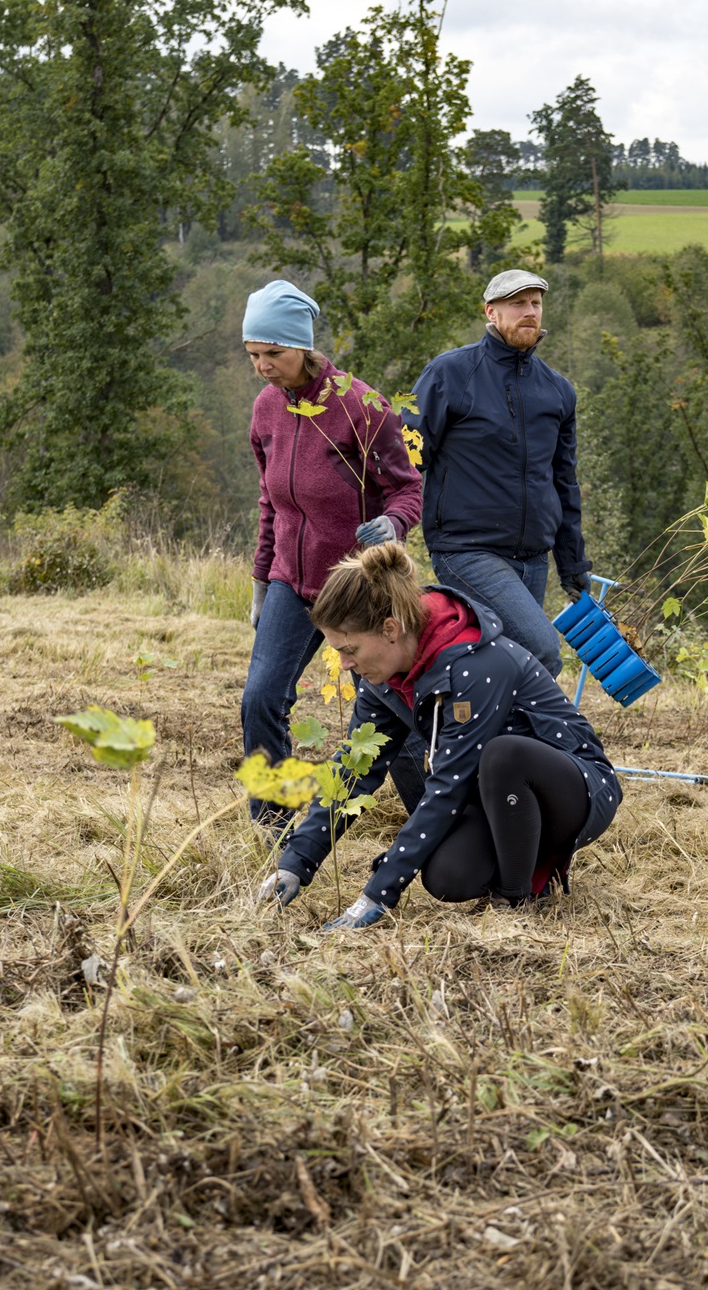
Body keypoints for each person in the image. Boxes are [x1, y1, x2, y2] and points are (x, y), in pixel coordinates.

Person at [256, 543, 620, 931]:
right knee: (447, 877)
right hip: (500, 802)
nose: (345, 664)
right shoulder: (385, 681)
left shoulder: (476, 664)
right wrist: (295, 864)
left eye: (350, 649)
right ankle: (532, 869)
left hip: (575, 788)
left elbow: (450, 784)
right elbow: (355, 770)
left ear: (390, 629)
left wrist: (377, 895)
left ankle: (514, 900)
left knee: (503, 755)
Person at [241, 278, 423, 828]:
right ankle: (270, 825)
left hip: (358, 588)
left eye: (274, 352)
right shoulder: (267, 410)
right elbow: (270, 503)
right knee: (260, 700)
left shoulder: (359, 406)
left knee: (392, 711)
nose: (263, 366)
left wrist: (391, 523)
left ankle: (435, 822)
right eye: (253, 354)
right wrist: (260, 582)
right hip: (290, 585)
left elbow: (408, 488)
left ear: (303, 346)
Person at [408, 269, 590, 678]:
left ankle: (479, 740)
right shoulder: (449, 373)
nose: (530, 311)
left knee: (503, 668)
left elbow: (564, 482)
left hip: (532, 558)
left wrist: (572, 564)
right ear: (491, 312)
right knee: (540, 652)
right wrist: (388, 521)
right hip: (466, 550)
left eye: (536, 303)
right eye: (518, 303)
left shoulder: (557, 390)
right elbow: (406, 454)